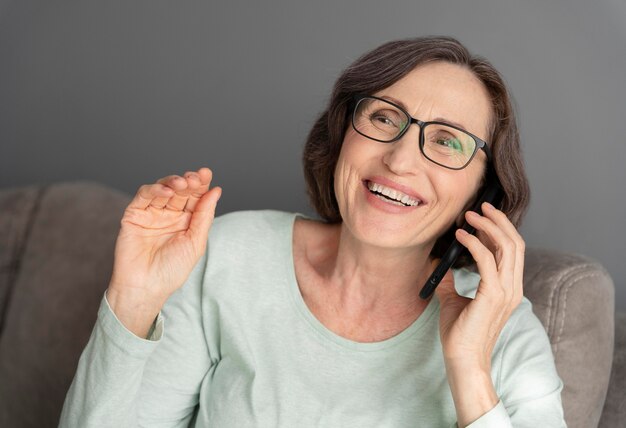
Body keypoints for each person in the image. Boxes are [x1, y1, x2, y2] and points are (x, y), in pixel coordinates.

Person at [59, 36, 566, 427]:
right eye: (385, 117)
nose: (400, 158)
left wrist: (470, 369)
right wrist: (132, 300)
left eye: (448, 142)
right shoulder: (228, 256)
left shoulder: (505, 331)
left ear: (482, 191)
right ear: (342, 132)